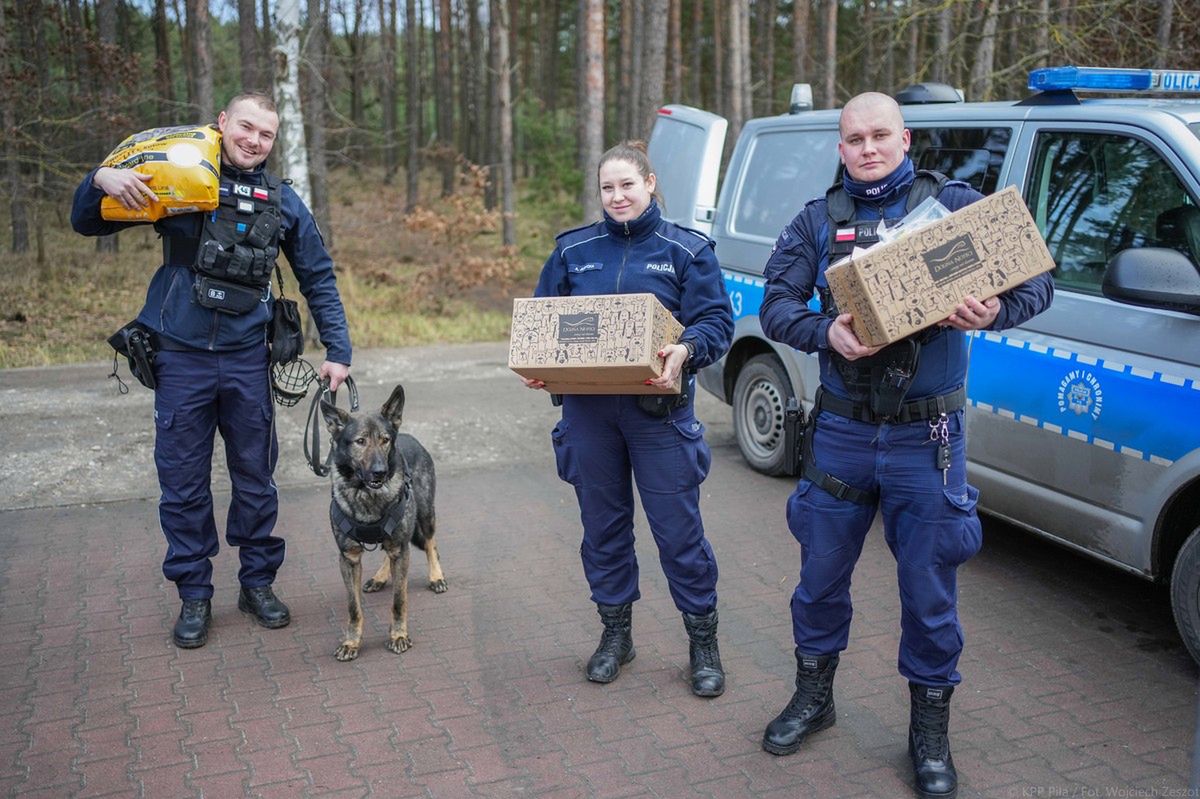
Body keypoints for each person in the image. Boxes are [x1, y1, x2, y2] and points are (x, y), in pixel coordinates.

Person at [757, 93, 1053, 797]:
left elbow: (1037, 281)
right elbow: (774, 302)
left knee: (929, 591)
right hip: (843, 433)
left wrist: (994, 311)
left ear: (905, 137)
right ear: (840, 147)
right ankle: (814, 697)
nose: (867, 147)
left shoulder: (953, 206)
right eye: (854, 138)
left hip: (930, 438)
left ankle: (929, 732)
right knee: (820, 577)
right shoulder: (815, 221)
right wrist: (823, 330)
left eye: (879, 134)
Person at [71, 93, 352, 650]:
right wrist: (102, 177)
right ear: (222, 123)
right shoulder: (179, 180)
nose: (253, 140)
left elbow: (318, 276)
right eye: (245, 127)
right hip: (181, 357)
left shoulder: (283, 201)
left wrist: (338, 350)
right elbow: (86, 222)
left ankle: (256, 584)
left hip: (250, 359)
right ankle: (194, 593)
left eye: (265, 135)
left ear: (273, 142)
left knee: (256, 478)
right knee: (182, 485)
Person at [523, 141, 734, 697]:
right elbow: (543, 321)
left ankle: (702, 642)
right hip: (589, 416)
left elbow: (715, 322)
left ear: (651, 183)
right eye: (607, 188)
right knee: (603, 530)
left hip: (658, 415)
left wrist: (687, 350)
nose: (617, 197)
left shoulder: (686, 251)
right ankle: (616, 637)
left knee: (679, 535)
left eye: (627, 185)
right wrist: (538, 363)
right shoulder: (573, 251)